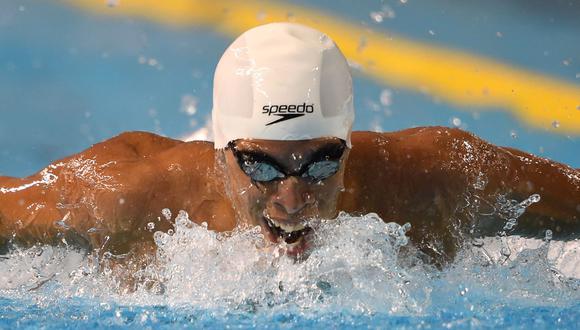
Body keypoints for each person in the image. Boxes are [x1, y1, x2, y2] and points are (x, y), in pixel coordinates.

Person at [0, 23, 578, 266]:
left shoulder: (438, 180)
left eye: (322, 161)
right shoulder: (129, 200)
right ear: (224, 153)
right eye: (261, 166)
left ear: (348, 147)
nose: (294, 198)